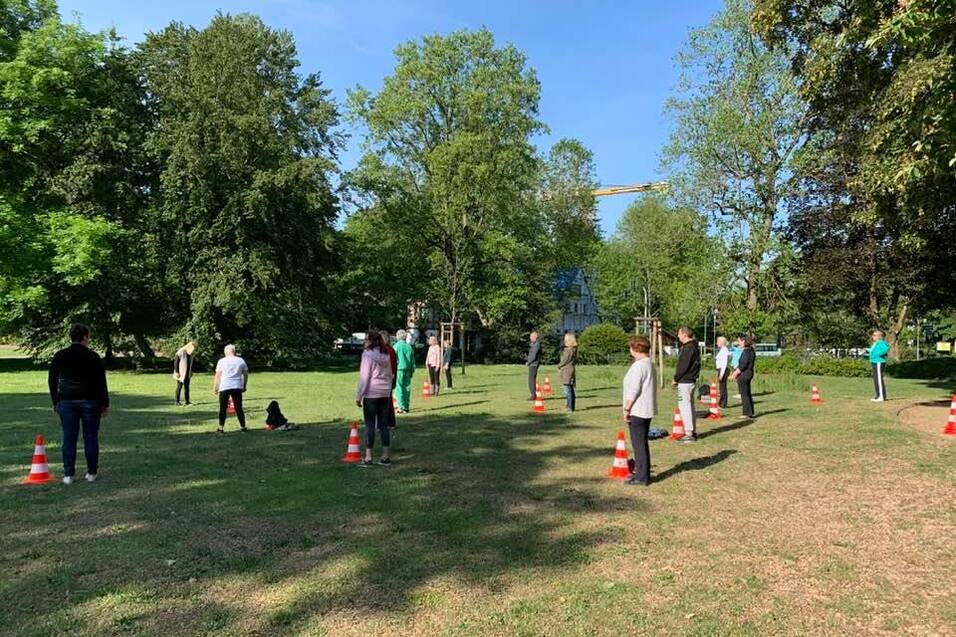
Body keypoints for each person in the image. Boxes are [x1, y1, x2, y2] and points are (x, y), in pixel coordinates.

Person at [48, 324, 109, 485]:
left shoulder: (60, 355)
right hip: (90, 400)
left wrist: (56, 401)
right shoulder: (93, 356)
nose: (89, 339)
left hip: (66, 400)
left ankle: (68, 474)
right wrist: (104, 403)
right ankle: (91, 472)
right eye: (88, 336)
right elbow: (101, 382)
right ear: (84, 337)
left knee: (69, 437)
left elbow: (52, 380)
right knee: (90, 437)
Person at [622, 335, 657, 486]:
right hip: (646, 408)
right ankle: (643, 473)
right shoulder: (649, 363)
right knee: (642, 443)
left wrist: (626, 408)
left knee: (638, 444)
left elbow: (634, 389)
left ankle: (642, 477)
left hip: (638, 409)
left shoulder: (638, 366)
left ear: (635, 349)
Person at [356, 331, 393, 466]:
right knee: (384, 425)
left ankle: (368, 457)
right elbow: (390, 375)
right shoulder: (386, 354)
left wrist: (359, 396)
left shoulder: (367, 355)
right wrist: (388, 391)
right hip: (384, 393)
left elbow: (364, 378)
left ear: (370, 341)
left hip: (371, 393)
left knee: (370, 425)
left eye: (366, 339)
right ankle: (385, 456)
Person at [673, 326, 701, 443]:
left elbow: (683, 365)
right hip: (690, 380)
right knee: (689, 406)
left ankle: (689, 433)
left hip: (686, 381)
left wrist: (676, 378)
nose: (678, 336)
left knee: (685, 406)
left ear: (684, 334)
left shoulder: (689, 347)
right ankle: (691, 431)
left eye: (679, 333)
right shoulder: (693, 346)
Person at [213, 344, 248, 433]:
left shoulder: (221, 361)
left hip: (225, 386)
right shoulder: (241, 360)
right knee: (238, 407)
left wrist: (215, 387)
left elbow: (217, 375)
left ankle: (221, 428)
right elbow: (245, 374)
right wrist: (244, 386)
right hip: (237, 386)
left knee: (223, 408)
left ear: (227, 351)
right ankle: (243, 427)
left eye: (225, 352)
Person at [731, 336, 756, 418]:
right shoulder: (751, 350)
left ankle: (746, 413)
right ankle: (750, 412)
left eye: (740, 341)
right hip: (749, 373)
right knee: (747, 393)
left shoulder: (746, 352)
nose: (739, 343)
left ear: (744, 342)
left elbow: (742, 365)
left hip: (744, 374)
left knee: (744, 394)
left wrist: (735, 374)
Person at [393, 329, 415, 413]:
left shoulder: (396, 346)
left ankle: (400, 407)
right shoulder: (409, 346)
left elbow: (394, 359)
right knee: (407, 388)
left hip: (399, 369)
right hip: (408, 369)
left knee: (399, 388)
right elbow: (412, 360)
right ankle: (406, 406)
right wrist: (412, 370)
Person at [380, 330, 398, 428]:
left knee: (384, 401)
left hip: (385, 378)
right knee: (388, 400)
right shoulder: (391, 349)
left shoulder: (386, 350)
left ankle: (385, 423)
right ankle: (391, 423)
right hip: (390, 377)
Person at [557, 333, 578, 412]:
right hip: (570, 369)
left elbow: (564, 360)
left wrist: (559, 365)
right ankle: (571, 406)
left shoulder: (568, 350)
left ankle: (569, 406)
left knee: (567, 389)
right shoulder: (573, 349)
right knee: (570, 388)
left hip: (566, 371)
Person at [869, 329, 890, 402]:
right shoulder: (876, 343)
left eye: (874, 335)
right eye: (873, 335)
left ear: (879, 336)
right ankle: (878, 396)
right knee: (876, 379)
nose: (873, 336)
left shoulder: (881, 342)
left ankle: (881, 397)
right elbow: (872, 351)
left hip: (879, 362)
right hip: (874, 362)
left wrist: (879, 354)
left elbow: (886, 348)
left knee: (878, 379)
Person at [173, 341, 196, 406]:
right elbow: (176, 362)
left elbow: (191, 363)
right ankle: (177, 401)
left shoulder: (191, 354)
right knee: (179, 387)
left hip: (187, 373)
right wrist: (177, 372)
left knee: (187, 387)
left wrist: (191, 371)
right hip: (180, 373)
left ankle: (187, 401)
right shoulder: (181, 351)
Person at [715, 336, 731, 408]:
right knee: (722, 387)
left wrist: (721, 374)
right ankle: (722, 403)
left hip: (723, 370)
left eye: (718, 341)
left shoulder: (724, 350)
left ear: (722, 342)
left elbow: (724, 363)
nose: (716, 343)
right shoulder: (722, 349)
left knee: (723, 387)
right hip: (721, 369)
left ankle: (723, 404)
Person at [526, 330, 542, 400]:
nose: (530, 338)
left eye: (531, 336)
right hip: (532, 364)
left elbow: (533, 355)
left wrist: (529, 362)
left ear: (535, 337)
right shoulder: (533, 344)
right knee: (531, 380)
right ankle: (533, 394)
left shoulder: (536, 345)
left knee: (531, 380)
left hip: (534, 364)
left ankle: (533, 395)